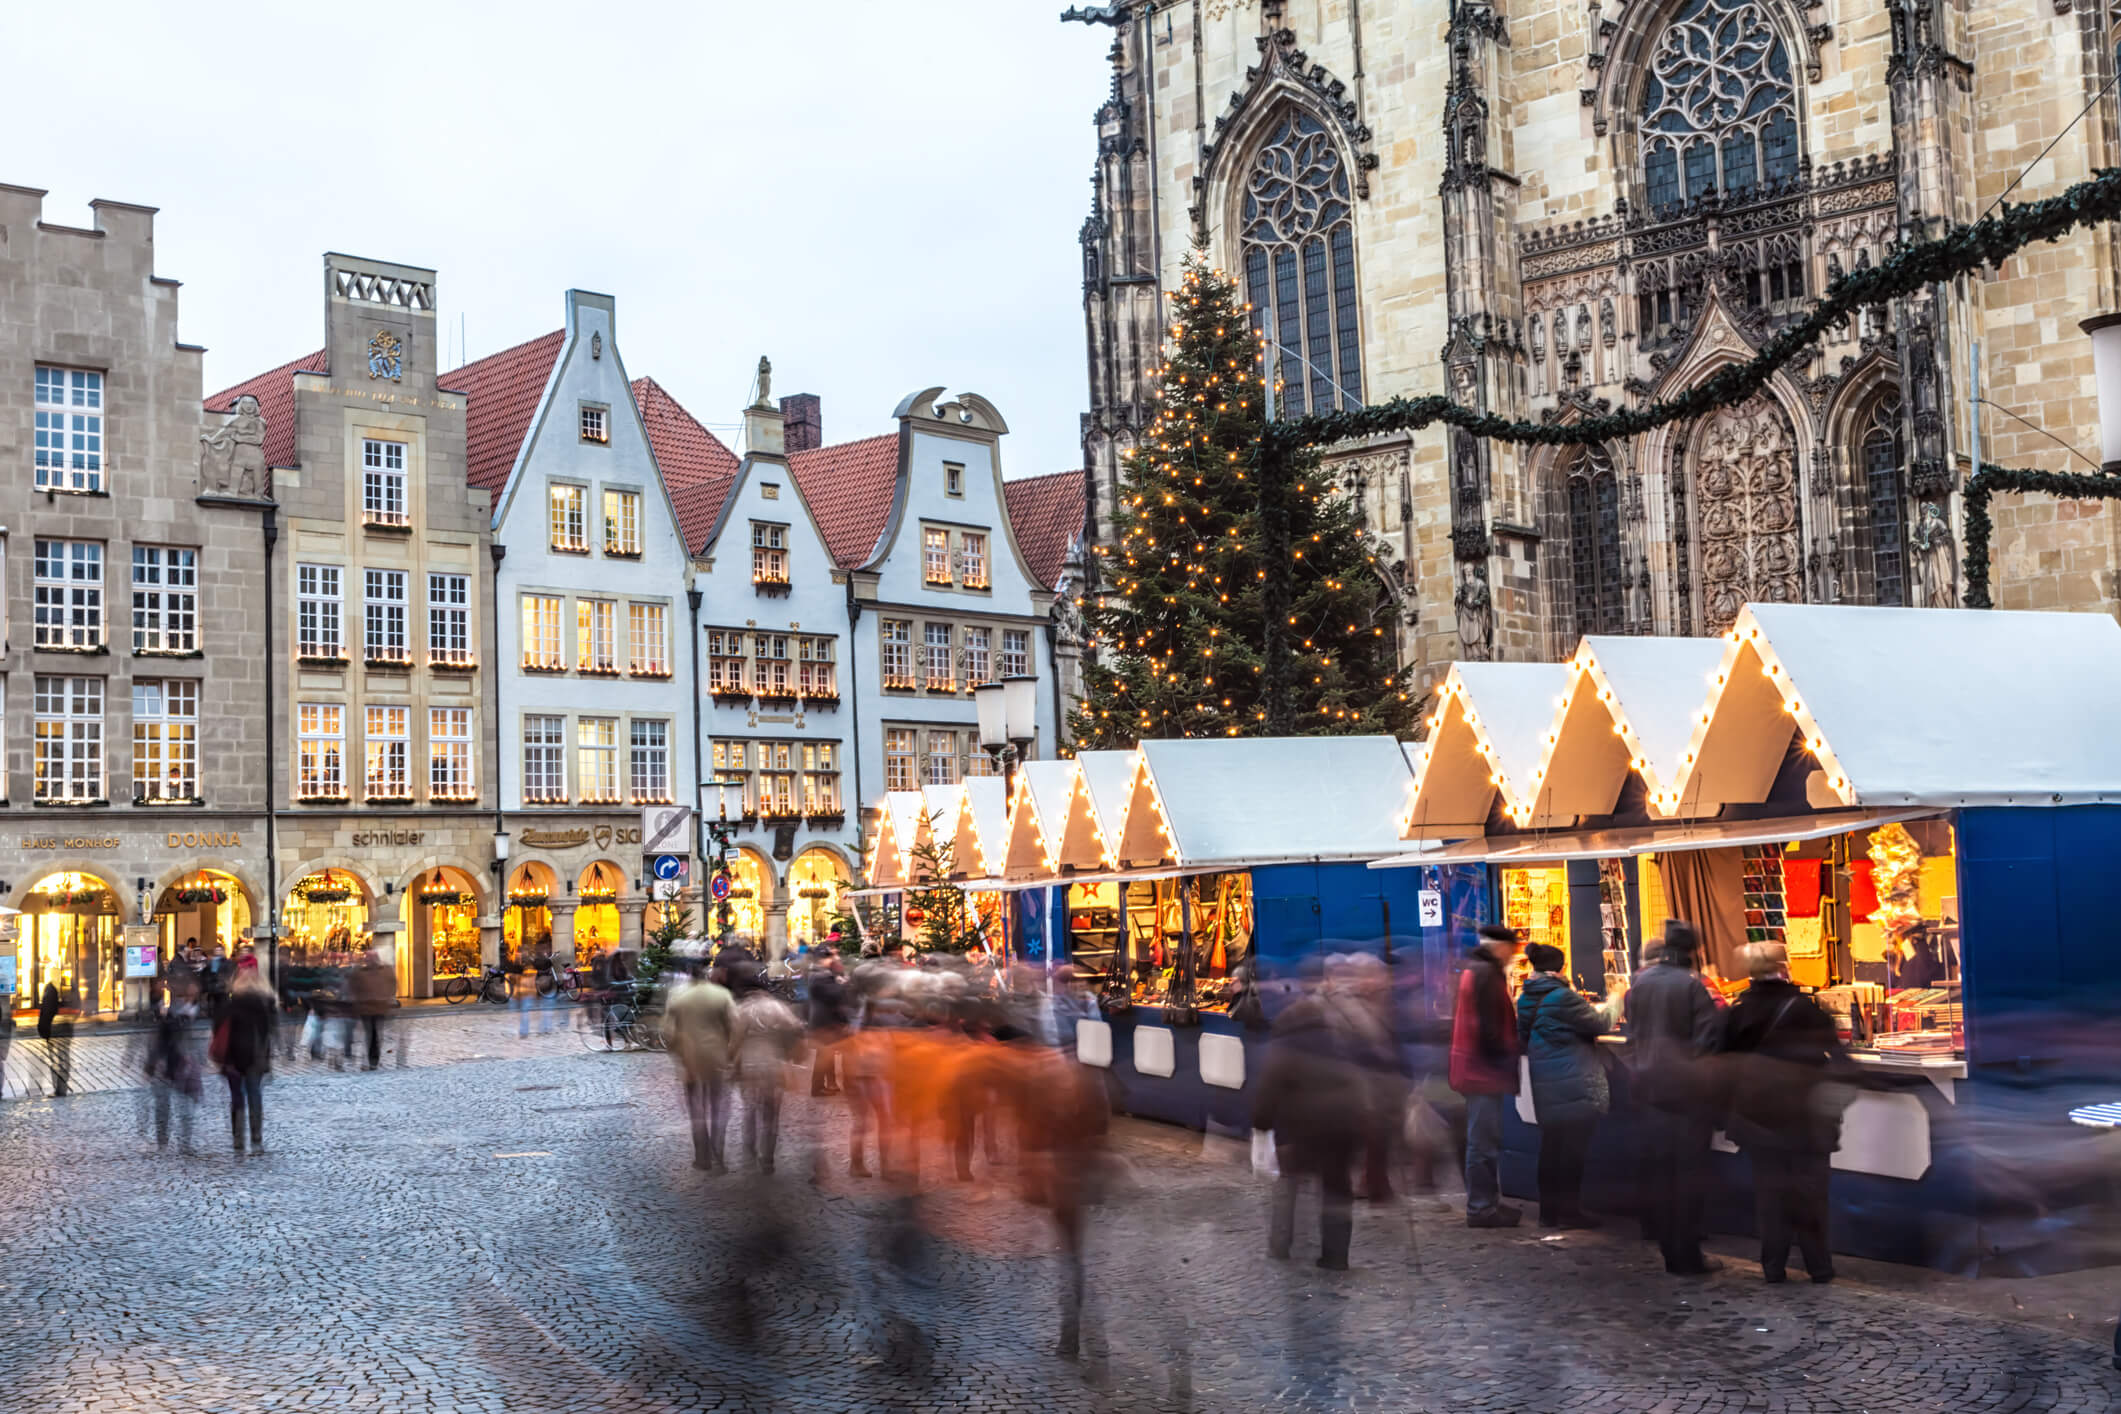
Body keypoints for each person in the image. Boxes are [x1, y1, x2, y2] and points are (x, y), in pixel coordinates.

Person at [1722, 941, 1854, 1285]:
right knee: (1811, 1196)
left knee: (1770, 1196)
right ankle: (1819, 1267)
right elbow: (1841, 1062)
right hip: (1808, 1120)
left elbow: (1721, 1064)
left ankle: (1773, 1266)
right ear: (1785, 968)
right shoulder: (1809, 1009)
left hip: (1759, 1121)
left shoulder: (1737, 1013)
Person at [1624, 918, 1726, 1275]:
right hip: (1685, 1096)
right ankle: (1687, 1256)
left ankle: (1669, 1250)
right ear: (1691, 952)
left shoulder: (1640, 983)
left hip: (1649, 1091)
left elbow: (1631, 1035)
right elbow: (1707, 1041)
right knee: (1687, 1177)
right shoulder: (1692, 987)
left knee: (1662, 1174)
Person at [1254, 964, 1369, 1270]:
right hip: (1339, 1126)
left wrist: (1261, 1124)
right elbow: (1357, 1080)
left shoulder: (1285, 1045)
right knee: (1336, 1188)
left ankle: (1281, 1245)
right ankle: (1335, 1255)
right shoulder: (1337, 1039)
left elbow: (1269, 1086)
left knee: (1288, 1185)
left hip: (1298, 1130)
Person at [1517, 942, 1612, 1229]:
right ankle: (1570, 1212)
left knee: (1551, 1148)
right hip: (1572, 1080)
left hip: (1545, 1081)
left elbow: (1524, 1037)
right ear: (1560, 968)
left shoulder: (1526, 996)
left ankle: (1549, 1212)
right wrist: (1617, 999)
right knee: (1573, 1151)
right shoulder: (1562, 997)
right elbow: (1601, 1023)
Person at [1450, 923, 1524, 1228]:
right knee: (1482, 1142)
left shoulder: (1476, 970)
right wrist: (1508, 1053)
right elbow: (1488, 1028)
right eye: (1512, 948)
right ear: (1500, 947)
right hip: (1482, 1072)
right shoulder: (1486, 974)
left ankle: (1487, 1202)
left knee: (1484, 1140)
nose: (1514, 955)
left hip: (1476, 1069)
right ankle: (1481, 1208)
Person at [662, 963, 740, 1172]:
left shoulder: (678, 997)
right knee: (718, 1108)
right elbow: (735, 1026)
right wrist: (730, 1054)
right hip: (717, 1058)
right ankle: (718, 1155)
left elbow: (668, 1032)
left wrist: (678, 1055)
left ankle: (702, 1158)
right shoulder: (721, 994)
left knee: (697, 1110)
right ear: (706, 975)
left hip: (691, 1060)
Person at [734, 975, 803, 1174]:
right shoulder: (778, 1007)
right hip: (774, 1065)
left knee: (750, 1111)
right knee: (771, 1115)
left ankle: (749, 1154)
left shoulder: (743, 1010)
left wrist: (732, 1064)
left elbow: (734, 1040)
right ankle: (768, 1160)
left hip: (750, 1066)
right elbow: (796, 1029)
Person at [216, 962, 277, 1155]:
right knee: (254, 1095)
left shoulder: (230, 1003)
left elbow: (217, 1028)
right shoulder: (265, 1003)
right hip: (256, 1057)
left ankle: (238, 1139)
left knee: (237, 1098)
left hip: (233, 1057)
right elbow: (269, 1032)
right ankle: (256, 1140)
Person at [807, 947, 851, 1096]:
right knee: (823, 1057)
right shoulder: (821, 976)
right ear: (821, 959)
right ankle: (817, 1088)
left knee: (824, 1055)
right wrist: (844, 984)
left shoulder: (819, 974)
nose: (831, 960)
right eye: (828, 958)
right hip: (824, 1022)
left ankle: (821, 1086)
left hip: (823, 1020)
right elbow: (835, 995)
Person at [350, 947, 393, 1069]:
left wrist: (387, 997)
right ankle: (371, 1058)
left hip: (379, 1007)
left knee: (375, 1033)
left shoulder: (385, 971)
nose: (370, 960)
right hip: (366, 1008)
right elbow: (353, 986)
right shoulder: (360, 972)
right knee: (370, 1033)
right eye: (368, 958)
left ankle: (373, 1058)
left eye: (372, 958)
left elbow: (392, 984)